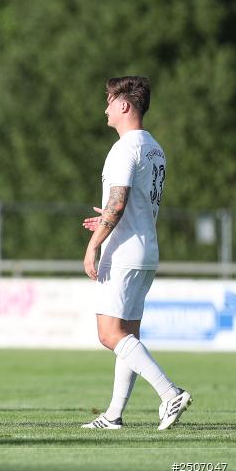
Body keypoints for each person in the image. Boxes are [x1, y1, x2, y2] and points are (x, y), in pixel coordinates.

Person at [80, 76, 190, 431]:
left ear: (125, 105)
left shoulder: (125, 147)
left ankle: (170, 393)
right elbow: (131, 205)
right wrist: (105, 221)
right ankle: (113, 416)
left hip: (124, 253)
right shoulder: (154, 147)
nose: (106, 108)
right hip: (146, 249)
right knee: (127, 334)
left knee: (109, 334)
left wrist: (93, 245)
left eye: (110, 101)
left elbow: (119, 199)